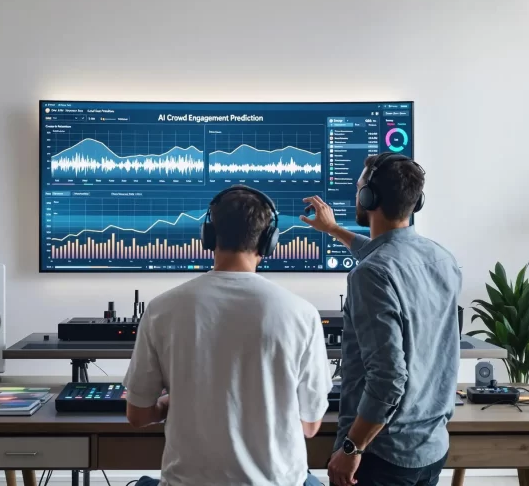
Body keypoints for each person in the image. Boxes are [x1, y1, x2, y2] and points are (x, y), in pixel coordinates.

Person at [124, 185, 333, 486]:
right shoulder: (302, 313)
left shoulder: (161, 309)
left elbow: (138, 415)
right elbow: (310, 426)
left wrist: (173, 402)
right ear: (268, 241)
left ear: (208, 236)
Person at [301, 154, 461, 486]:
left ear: (368, 198)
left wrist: (351, 448)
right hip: (430, 447)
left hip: (382, 454)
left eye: (360, 188)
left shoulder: (370, 274)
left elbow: (388, 378)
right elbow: (386, 253)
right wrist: (334, 231)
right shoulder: (441, 258)